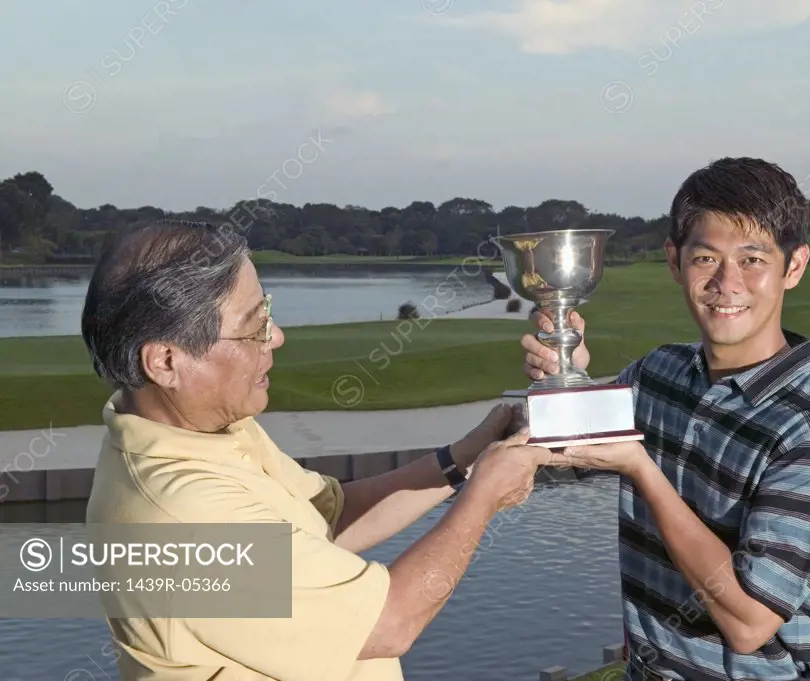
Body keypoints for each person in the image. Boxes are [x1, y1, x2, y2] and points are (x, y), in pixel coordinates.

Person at [82, 219, 551, 681]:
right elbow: (388, 624)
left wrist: (466, 457)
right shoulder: (186, 518)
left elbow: (330, 517)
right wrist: (483, 498)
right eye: (254, 326)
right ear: (166, 361)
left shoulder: (206, 431)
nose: (277, 336)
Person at [521, 158, 810, 681]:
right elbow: (562, 462)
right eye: (706, 258)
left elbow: (749, 622)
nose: (726, 283)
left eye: (752, 259)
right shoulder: (658, 373)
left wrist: (643, 471)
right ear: (674, 261)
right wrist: (561, 379)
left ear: (793, 266)